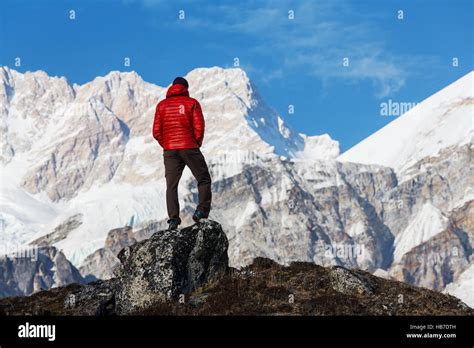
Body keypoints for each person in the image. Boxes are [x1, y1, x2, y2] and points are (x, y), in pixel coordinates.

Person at [152, 77, 212, 230]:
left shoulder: (161, 105)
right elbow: (199, 127)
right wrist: (195, 143)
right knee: (203, 178)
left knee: (171, 185)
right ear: (185, 88)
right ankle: (201, 212)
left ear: (172, 87)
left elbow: (156, 132)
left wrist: (167, 144)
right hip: (189, 147)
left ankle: (173, 220)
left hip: (170, 151)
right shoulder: (192, 103)